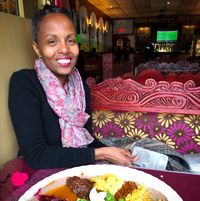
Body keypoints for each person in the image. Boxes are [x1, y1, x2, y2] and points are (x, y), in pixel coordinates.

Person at [8, 4, 139, 170]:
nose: (64, 49)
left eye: (70, 40)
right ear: (37, 49)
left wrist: (114, 152)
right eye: (52, 41)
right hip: (41, 175)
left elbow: (87, 139)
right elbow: (36, 155)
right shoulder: (24, 83)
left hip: (79, 169)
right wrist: (103, 153)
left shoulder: (81, 87)